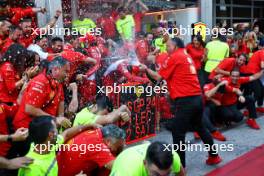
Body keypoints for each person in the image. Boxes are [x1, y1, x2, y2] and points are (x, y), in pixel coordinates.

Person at [140, 37, 221, 167]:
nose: (166, 48)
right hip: (197, 98)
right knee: (200, 127)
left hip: (187, 101)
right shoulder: (185, 55)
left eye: (168, 46)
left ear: (176, 46)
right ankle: (214, 156)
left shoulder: (175, 57)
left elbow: (158, 77)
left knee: (178, 132)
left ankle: (180, 167)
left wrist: (145, 69)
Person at [18, 115, 99, 176]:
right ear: (51, 135)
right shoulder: (34, 169)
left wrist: (88, 125)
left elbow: (66, 134)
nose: (58, 130)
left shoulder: (46, 145)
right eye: (56, 128)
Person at [57, 124, 126, 176]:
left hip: (56, 166)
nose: (117, 149)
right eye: (118, 147)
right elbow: (120, 168)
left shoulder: (93, 129)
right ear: (108, 142)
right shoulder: (99, 147)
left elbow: (66, 133)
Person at [110, 141, 185, 176]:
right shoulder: (127, 172)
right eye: (156, 175)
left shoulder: (172, 156)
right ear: (145, 163)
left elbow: (180, 172)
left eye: (167, 174)